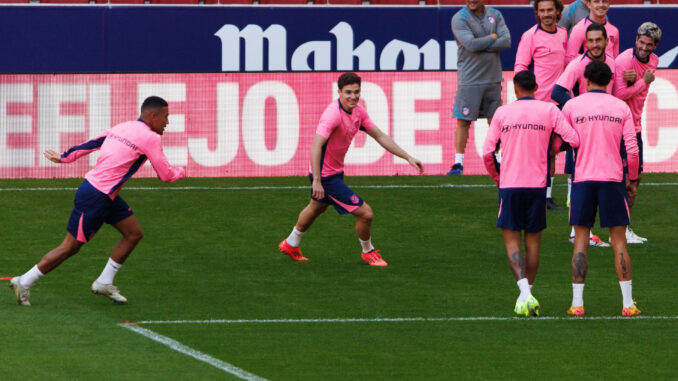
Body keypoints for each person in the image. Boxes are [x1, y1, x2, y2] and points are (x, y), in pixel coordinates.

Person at [9, 96, 186, 306]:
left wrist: (66, 157)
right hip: (97, 197)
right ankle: (24, 281)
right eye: (166, 116)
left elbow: (93, 143)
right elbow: (165, 175)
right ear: (153, 116)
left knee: (133, 234)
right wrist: (182, 171)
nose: (168, 121)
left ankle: (104, 281)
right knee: (70, 247)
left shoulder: (123, 127)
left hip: (104, 195)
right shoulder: (151, 138)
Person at [278, 72, 423, 267]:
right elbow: (315, 146)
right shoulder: (332, 115)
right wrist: (317, 181)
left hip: (335, 172)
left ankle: (290, 243)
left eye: (356, 92)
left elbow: (380, 136)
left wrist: (408, 157)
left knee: (316, 207)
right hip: (326, 177)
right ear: (339, 92)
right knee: (366, 214)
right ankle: (368, 251)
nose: (353, 96)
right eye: (348, 92)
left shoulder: (358, 112)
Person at [483, 70, 580, 317]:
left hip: (510, 185)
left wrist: (497, 178)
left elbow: (487, 152)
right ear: (536, 87)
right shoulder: (549, 111)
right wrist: (553, 148)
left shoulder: (503, 113)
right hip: (537, 186)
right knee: (533, 242)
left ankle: (525, 294)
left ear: (514, 89)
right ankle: (527, 294)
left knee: (512, 241)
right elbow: (573, 139)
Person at [561, 60, 640, 317]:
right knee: (619, 241)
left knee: (581, 240)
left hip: (583, 180)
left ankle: (577, 304)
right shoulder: (620, 107)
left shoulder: (572, 106)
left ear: (585, 81)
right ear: (608, 82)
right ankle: (627, 304)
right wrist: (633, 179)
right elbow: (632, 148)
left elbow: (563, 139)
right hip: (612, 179)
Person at [552, 23, 615, 247]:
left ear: (606, 41)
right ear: (585, 42)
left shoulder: (611, 62)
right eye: (591, 41)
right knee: (579, 179)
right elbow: (557, 91)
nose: (595, 45)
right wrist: (579, 107)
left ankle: (592, 231)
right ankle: (577, 232)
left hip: (605, 129)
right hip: (582, 131)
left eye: (599, 40)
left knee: (603, 178)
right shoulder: (577, 65)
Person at [514, 0, 568, 210]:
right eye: (542, 10)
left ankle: (546, 196)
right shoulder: (530, 36)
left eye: (549, 10)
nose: (546, 14)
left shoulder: (564, 34)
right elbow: (520, 66)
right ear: (537, 13)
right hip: (538, 103)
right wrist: (525, 95)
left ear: (557, 12)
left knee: (552, 150)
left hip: (559, 102)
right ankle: (532, 193)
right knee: (536, 153)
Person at [448, 0, 511, 175]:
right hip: (470, 79)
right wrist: (492, 38)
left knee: (495, 121)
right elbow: (471, 45)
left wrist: (481, 43)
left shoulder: (495, 15)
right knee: (463, 121)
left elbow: (506, 41)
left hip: (493, 78)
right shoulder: (459, 18)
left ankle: (497, 159)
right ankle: (458, 163)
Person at [613, 22, 661, 244]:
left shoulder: (655, 60)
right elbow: (619, 95)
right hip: (619, 128)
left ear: (654, 46)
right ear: (636, 39)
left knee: (635, 181)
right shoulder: (623, 60)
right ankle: (618, 230)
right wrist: (642, 82)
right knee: (621, 181)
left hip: (637, 127)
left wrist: (638, 82)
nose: (643, 47)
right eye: (641, 42)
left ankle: (624, 227)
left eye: (648, 44)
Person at [565, 0, 619, 65]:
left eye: (604, 1)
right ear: (589, 4)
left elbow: (616, 61)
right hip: (588, 73)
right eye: (596, 1)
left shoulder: (614, 30)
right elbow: (569, 59)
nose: (601, 5)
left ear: (608, 4)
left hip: (609, 74)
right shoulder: (580, 28)